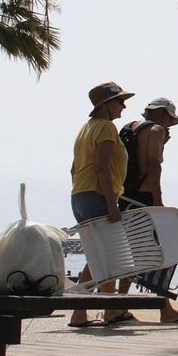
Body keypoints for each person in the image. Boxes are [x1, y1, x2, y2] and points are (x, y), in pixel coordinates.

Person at [113, 98, 178, 325]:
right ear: (160, 114)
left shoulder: (130, 127)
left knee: (131, 251)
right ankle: (165, 310)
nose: (169, 124)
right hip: (146, 196)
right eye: (169, 118)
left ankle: (120, 303)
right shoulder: (157, 130)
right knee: (163, 251)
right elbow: (152, 164)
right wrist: (158, 200)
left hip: (125, 196)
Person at [67, 82, 135, 328]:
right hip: (97, 195)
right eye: (119, 101)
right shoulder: (106, 128)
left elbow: (74, 169)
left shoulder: (85, 129)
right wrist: (111, 203)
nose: (123, 106)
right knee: (110, 256)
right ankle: (109, 310)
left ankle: (80, 312)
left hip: (80, 195)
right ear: (105, 105)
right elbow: (102, 168)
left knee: (98, 256)